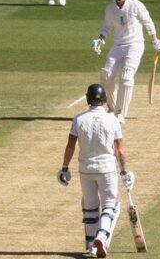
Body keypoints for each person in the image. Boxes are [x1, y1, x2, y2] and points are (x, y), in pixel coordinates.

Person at [58, 84, 134, 258]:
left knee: (90, 207)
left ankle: (91, 246)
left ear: (87, 99)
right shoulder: (113, 120)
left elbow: (70, 146)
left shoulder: (78, 119)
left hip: (85, 170)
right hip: (107, 169)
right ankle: (101, 236)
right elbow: (120, 150)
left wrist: (64, 168)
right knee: (110, 206)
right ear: (105, 100)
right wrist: (124, 171)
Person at [91, 0, 160, 124]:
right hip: (117, 45)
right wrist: (100, 39)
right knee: (106, 75)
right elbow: (106, 26)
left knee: (126, 76)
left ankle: (120, 113)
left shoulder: (136, 5)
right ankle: (112, 109)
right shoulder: (110, 8)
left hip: (135, 45)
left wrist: (155, 40)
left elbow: (148, 22)